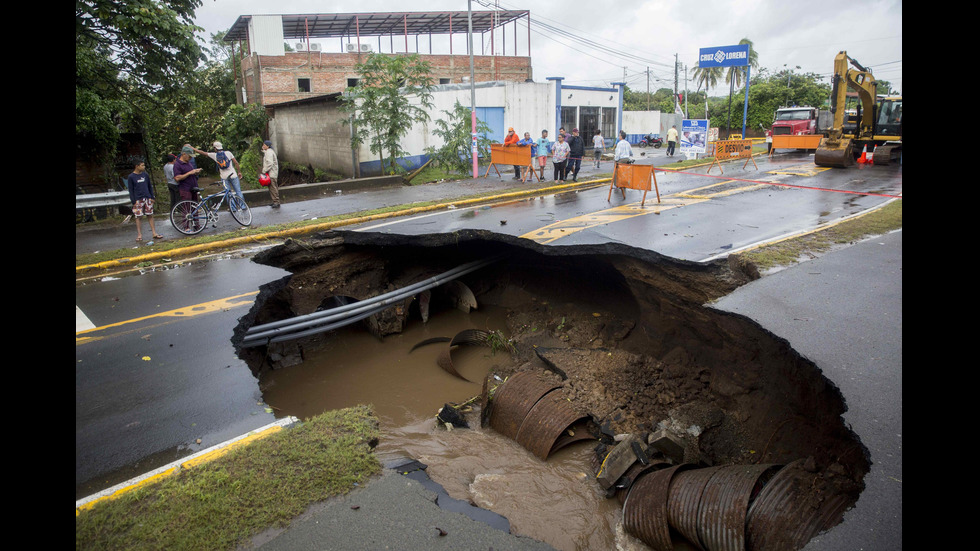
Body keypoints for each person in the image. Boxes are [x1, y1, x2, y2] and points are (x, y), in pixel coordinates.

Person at [192, 141, 244, 206]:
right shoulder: (228, 153)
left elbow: (203, 153)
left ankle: (233, 208)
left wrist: (193, 148)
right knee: (238, 191)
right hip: (233, 175)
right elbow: (236, 163)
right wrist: (239, 172)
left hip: (224, 177)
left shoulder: (214, 155)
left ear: (215, 148)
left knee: (228, 193)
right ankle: (243, 206)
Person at [126, 160, 163, 242]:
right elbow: (131, 190)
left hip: (147, 198)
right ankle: (139, 234)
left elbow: (150, 186)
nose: (144, 167)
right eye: (142, 165)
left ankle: (154, 233)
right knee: (138, 217)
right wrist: (133, 201)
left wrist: (152, 197)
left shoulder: (145, 175)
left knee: (150, 215)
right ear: (137, 166)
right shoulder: (131, 177)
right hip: (138, 199)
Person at [261, 140, 280, 208]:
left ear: (268, 146)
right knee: (273, 187)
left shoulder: (269, 152)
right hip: (272, 173)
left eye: (264, 145)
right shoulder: (269, 152)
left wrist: (264, 171)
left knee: (273, 188)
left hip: (272, 173)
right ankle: (275, 201)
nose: (263, 146)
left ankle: (276, 202)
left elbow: (270, 163)